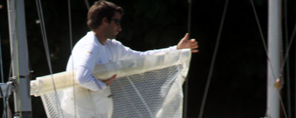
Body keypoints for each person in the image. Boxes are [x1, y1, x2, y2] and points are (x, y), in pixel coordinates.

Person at [67, 1, 199, 92]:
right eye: (116, 22)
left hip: (95, 112)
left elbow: (142, 58)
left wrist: (176, 50)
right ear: (104, 21)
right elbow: (82, 78)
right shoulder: (90, 45)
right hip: (83, 116)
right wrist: (102, 86)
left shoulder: (112, 46)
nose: (120, 28)